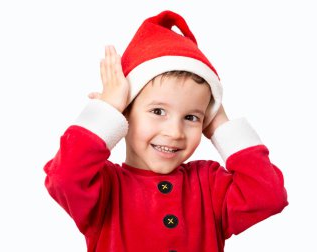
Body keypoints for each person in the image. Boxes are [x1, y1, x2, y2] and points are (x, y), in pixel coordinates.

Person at [44, 10, 288, 252]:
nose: (175, 132)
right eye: (158, 111)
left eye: (191, 117)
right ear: (124, 112)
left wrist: (222, 125)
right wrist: (106, 109)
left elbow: (268, 196)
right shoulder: (105, 188)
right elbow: (63, 177)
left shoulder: (209, 184)